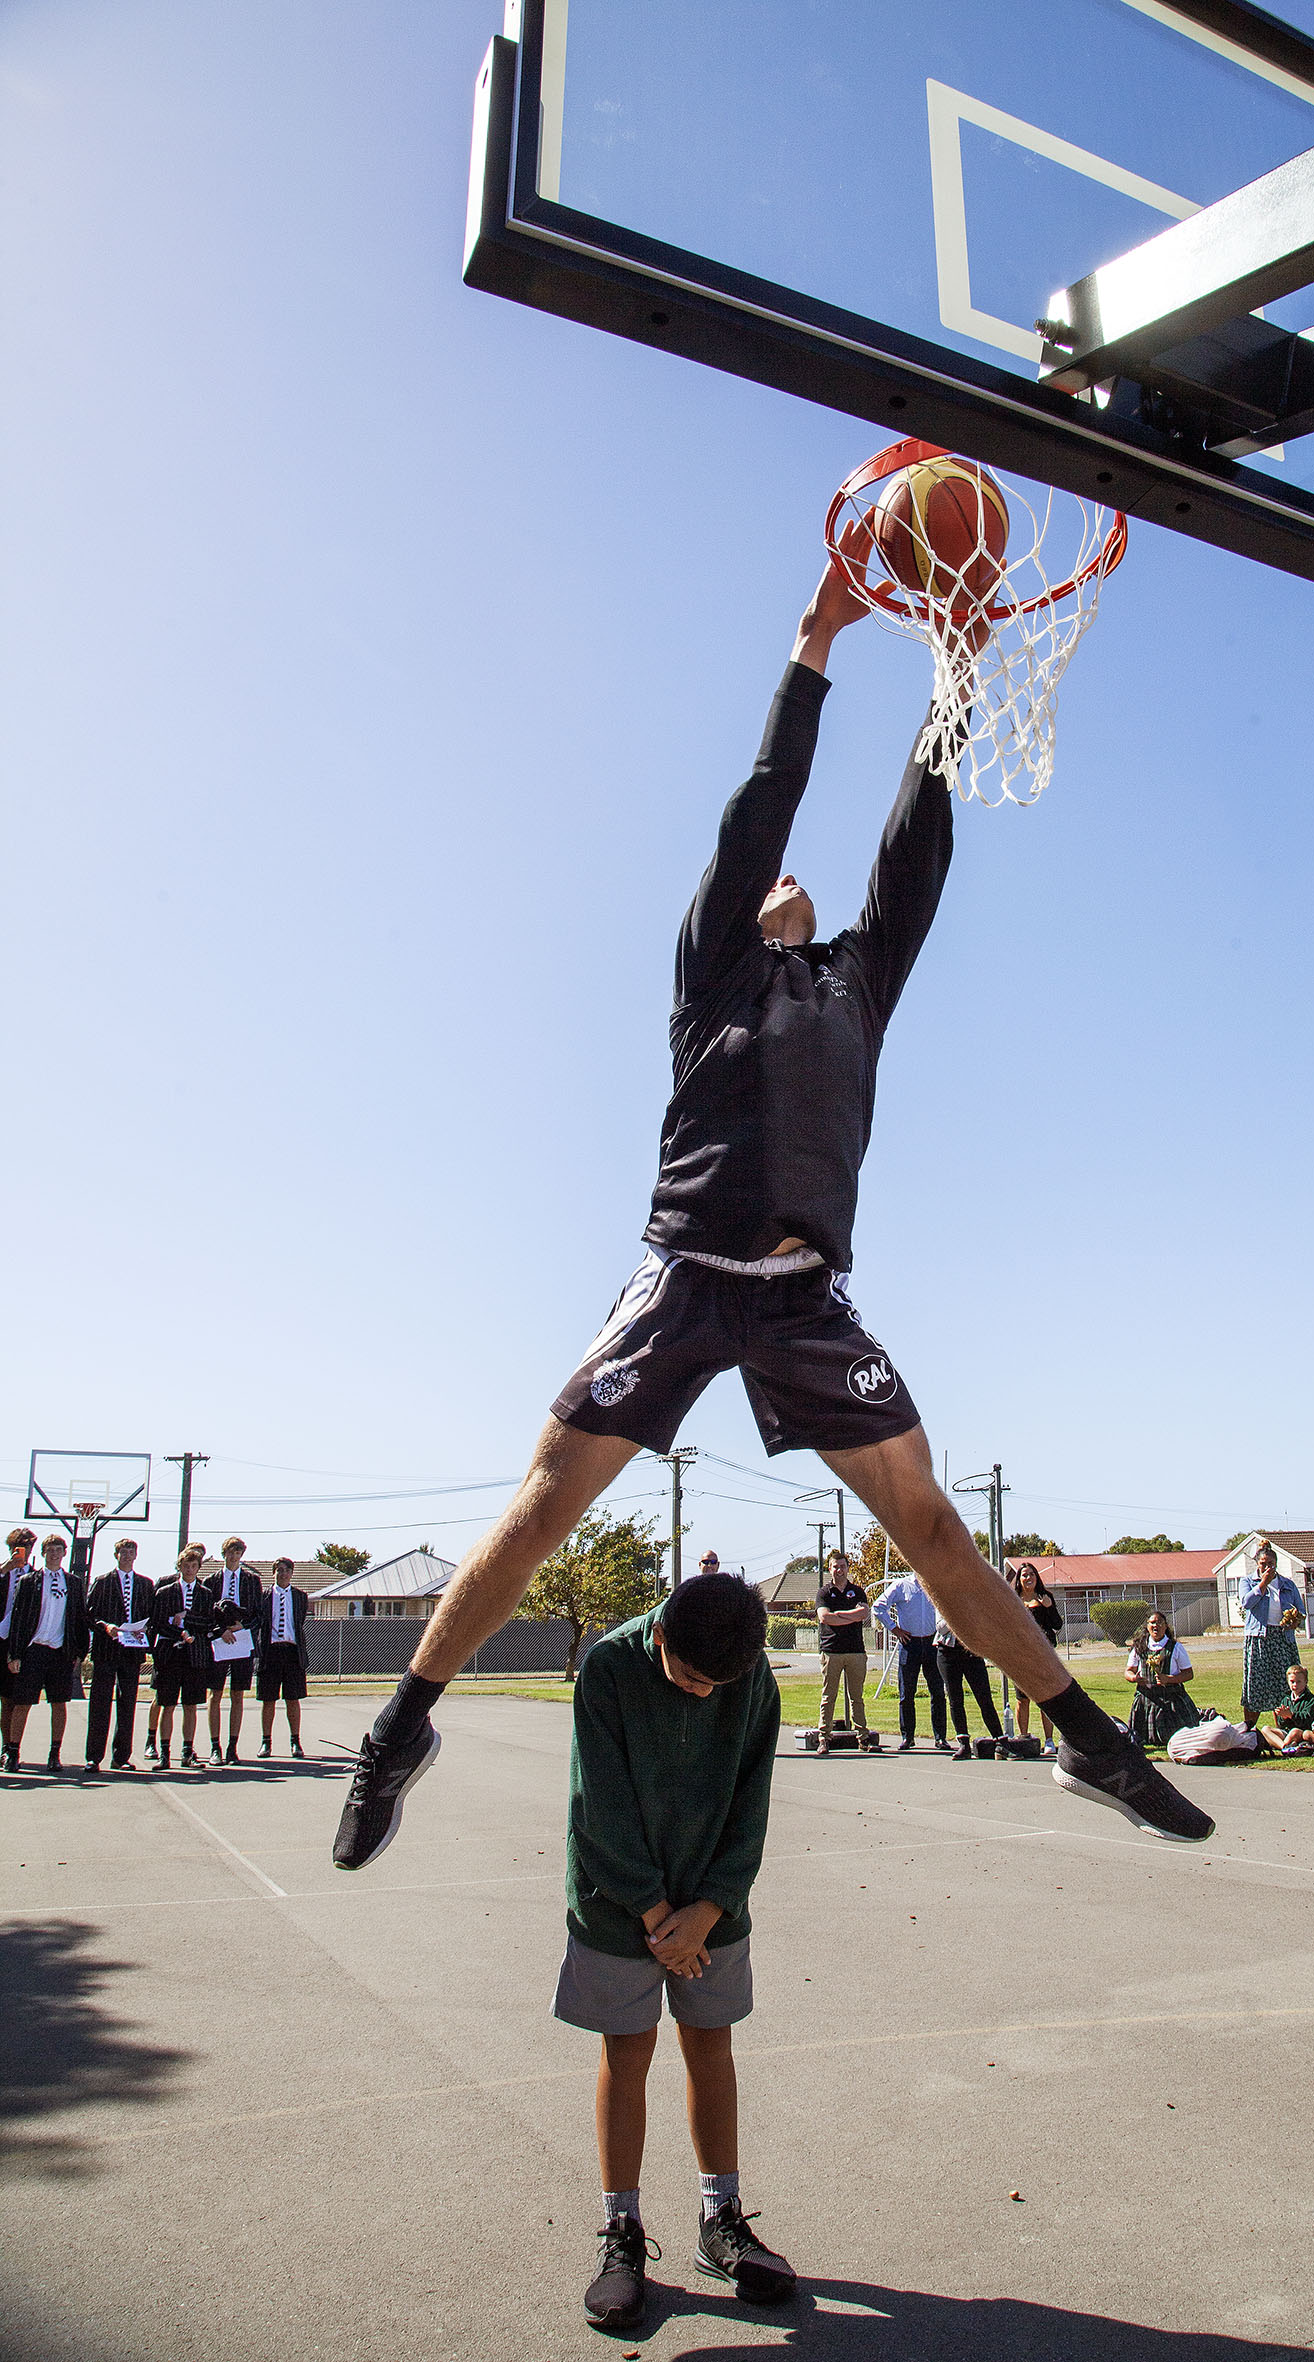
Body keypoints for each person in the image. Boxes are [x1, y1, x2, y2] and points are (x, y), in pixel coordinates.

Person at [332, 560, 1212, 1875]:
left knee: (932, 1525)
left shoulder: (857, 981)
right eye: (763, 881)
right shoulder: (711, 970)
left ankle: (1083, 1734)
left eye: (796, 885)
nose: (782, 879)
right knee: (536, 1513)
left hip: (803, 1292)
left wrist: (950, 676)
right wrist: (813, 644)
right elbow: (762, 803)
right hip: (684, 1275)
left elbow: (915, 837)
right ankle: (398, 1731)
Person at [548, 1572, 793, 2331]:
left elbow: (751, 1800)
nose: (701, 1694)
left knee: (709, 2045)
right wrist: (659, 1916)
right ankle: (621, 2232)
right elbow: (599, 1805)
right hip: (620, 1901)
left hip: (713, 1898)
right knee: (627, 2051)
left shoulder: (746, 1677)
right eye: (689, 1677)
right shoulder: (609, 1667)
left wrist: (709, 1907)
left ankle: (720, 2220)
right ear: (659, 1638)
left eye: (716, 1683)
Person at [5, 1535, 90, 1771]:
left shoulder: (73, 1583)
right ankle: (12, 1752)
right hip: (33, 1650)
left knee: (59, 1703)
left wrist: (79, 1653)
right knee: (22, 1703)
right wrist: (15, 1654)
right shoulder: (29, 1581)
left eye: (59, 1550)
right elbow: (19, 1620)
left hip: (60, 1652)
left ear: (65, 1553)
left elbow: (80, 1620)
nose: (54, 1553)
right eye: (50, 1550)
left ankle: (55, 1753)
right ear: (43, 1553)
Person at [84, 1537, 155, 1773]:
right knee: (100, 1703)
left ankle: (121, 1756)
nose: (127, 1556)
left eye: (131, 1553)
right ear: (116, 1555)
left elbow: (151, 1616)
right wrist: (106, 1626)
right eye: (123, 1553)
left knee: (127, 1704)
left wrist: (145, 1628)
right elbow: (90, 1615)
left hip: (132, 1651)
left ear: (136, 1556)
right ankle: (93, 1757)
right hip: (106, 1650)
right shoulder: (103, 1582)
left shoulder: (145, 1584)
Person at [150, 1542, 215, 1770]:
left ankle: (188, 1751)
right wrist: (178, 1631)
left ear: (199, 1568)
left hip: (194, 1656)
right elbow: (157, 1623)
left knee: (190, 1705)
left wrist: (186, 1620)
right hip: (170, 1655)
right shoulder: (165, 1592)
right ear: (180, 1567)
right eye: (186, 1565)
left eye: (194, 1565)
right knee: (167, 1704)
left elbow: (208, 1621)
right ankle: (164, 1753)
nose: (190, 1569)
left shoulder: (206, 1594)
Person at [872, 1567, 948, 1753]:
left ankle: (940, 1738)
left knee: (937, 1693)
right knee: (906, 1693)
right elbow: (878, 1607)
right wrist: (894, 1628)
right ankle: (908, 1737)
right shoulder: (901, 1585)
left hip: (932, 1643)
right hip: (909, 1644)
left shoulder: (936, 1585)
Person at [204, 1535, 263, 1764]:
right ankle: (215, 1747)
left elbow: (259, 1614)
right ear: (224, 1554)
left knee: (237, 1694)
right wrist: (220, 1631)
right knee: (215, 1693)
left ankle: (232, 1747)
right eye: (230, 1552)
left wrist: (242, 1626)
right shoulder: (211, 1581)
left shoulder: (251, 1580)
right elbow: (205, 1613)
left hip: (242, 1640)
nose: (234, 1556)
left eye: (238, 1553)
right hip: (219, 1640)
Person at [813, 1548, 877, 1756]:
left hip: (855, 1651)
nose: (839, 1570)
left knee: (856, 1697)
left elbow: (863, 1614)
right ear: (829, 1569)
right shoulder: (824, 1593)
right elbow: (825, 1618)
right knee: (828, 1696)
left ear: (848, 1568)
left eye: (842, 1566)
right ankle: (824, 1737)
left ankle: (863, 1737)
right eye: (835, 1567)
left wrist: (839, 1614)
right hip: (831, 1651)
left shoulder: (857, 1591)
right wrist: (849, 1615)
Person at [1238, 1542, 1304, 1731]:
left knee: (1283, 1685)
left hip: (1282, 1638)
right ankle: (1248, 1730)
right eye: (1263, 1564)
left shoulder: (1287, 1584)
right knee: (1255, 1684)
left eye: (1271, 1564)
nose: (1267, 1567)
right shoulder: (1248, 1582)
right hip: (1259, 1638)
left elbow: (1301, 1610)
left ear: (1276, 1564)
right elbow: (1247, 1603)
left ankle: (1284, 1729)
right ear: (1257, 1564)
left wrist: (1295, 1620)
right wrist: (1263, 1584)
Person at [256, 1557, 310, 1758]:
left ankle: (295, 1741)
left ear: (292, 1573)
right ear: (273, 1573)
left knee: (292, 1698)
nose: (283, 1573)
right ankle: (266, 1742)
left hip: (292, 1653)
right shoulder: (264, 1596)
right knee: (268, 1699)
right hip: (270, 1652)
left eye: (287, 1570)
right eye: (279, 1570)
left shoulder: (300, 1596)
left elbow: (299, 1621)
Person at [1123, 1611, 1200, 1751]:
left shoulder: (1176, 1648)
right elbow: (1128, 1672)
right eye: (1152, 1623)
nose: (1155, 1626)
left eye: (1159, 1623)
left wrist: (1169, 1679)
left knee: (1176, 1737)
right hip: (1145, 1700)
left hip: (1171, 1700)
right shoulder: (1139, 1648)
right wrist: (1135, 1678)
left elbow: (1189, 1674)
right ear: (1147, 1626)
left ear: (1165, 1627)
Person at [934, 1613, 1004, 1759]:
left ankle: (1000, 1742)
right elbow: (941, 1628)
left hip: (972, 1652)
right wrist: (957, 1615)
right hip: (947, 1652)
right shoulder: (943, 1599)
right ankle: (963, 1744)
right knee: (955, 1699)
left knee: (984, 1698)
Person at [1010, 1564, 1064, 1745]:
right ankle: (1024, 1737)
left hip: (1043, 1655)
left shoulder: (1045, 1598)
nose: (1028, 1577)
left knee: (1046, 1698)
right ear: (1019, 1579)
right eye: (1024, 1575)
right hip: (1020, 1656)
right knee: (1022, 1699)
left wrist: (1048, 1608)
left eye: (1032, 1574)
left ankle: (1049, 1740)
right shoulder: (1013, 1599)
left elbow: (1057, 1625)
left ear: (1036, 1577)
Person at [0, 1526, 36, 1763]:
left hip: (20, 1644)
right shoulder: (2, 1572)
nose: (21, 1551)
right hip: (0, 1639)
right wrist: (5, 1570)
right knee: (4, 1699)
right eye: (17, 1546)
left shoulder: (37, 1576)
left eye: (26, 1546)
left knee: (13, 1698)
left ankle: (10, 1748)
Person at [1256, 1661, 1314, 1756]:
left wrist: (1291, 1715)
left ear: (1306, 1682)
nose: (1295, 1685)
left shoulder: (1309, 1699)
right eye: (1292, 1682)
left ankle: (1284, 1746)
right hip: (1286, 1732)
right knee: (1265, 1729)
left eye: (1299, 1682)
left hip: (1301, 1732)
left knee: (1294, 1731)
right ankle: (1285, 1747)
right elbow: (1280, 1724)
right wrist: (1283, 1717)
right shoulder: (1286, 1698)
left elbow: (1308, 1720)